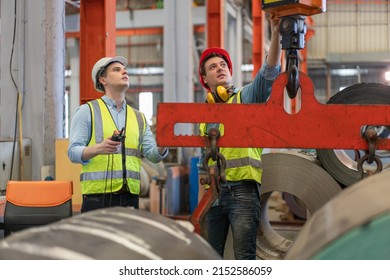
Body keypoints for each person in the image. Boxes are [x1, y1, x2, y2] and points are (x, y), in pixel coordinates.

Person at [197, 16, 282, 260]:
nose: (220, 68)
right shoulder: (203, 114)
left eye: (223, 64)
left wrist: (275, 34)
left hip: (243, 191)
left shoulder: (244, 99)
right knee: (210, 257)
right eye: (213, 67)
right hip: (212, 194)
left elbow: (268, 75)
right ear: (205, 79)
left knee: (244, 258)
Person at [68, 56, 168, 213]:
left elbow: (153, 156)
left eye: (125, 70)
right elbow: (73, 152)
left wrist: (165, 140)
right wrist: (99, 149)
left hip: (130, 197)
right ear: (103, 80)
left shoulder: (139, 117)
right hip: (97, 198)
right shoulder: (87, 111)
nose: (124, 71)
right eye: (116, 70)